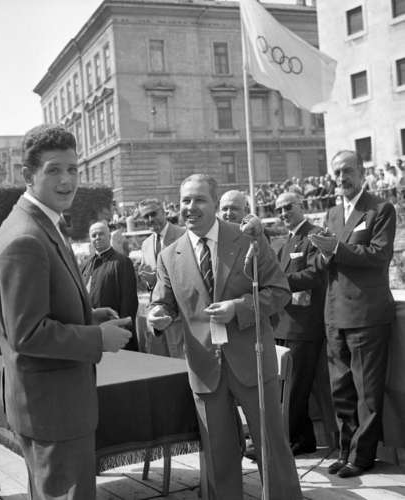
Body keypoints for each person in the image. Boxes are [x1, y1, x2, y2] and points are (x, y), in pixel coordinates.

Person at [0, 124, 132, 499]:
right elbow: (28, 334)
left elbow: (39, 309)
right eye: (54, 170)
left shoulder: (43, 222)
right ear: (28, 175)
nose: (67, 180)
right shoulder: (25, 237)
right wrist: (97, 338)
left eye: (72, 169)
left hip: (54, 406)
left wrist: (89, 316)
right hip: (54, 410)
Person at [147, 174, 301, 500]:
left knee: (271, 447)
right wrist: (156, 315)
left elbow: (279, 291)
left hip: (251, 361)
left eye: (199, 200)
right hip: (205, 368)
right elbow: (163, 302)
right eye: (185, 200)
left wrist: (239, 308)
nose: (190, 207)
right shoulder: (169, 255)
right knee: (218, 455)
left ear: (215, 204)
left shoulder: (247, 239)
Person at [310, 150, 396, 478]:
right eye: (336, 173)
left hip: (366, 315)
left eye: (347, 171)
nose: (341, 178)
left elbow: (379, 255)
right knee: (341, 390)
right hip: (334, 314)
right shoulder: (332, 213)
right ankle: (346, 451)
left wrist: (335, 249)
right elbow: (325, 263)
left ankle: (362, 457)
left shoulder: (380, 209)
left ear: (362, 172)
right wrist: (319, 255)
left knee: (366, 392)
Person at [273, 192, 326, 456]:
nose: (283, 213)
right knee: (286, 388)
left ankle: (285, 441)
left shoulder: (315, 235)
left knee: (295, 389)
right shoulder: (285, 242)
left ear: (301, 206)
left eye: (288, 207)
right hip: (283, 323)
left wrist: (279, 282)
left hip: (303, 326)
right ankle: (302, 439)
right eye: (279, 210)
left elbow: (316, 275)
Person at [138, 198, 185, 357]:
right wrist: (149, 282)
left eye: (153, 214)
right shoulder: (146, 244)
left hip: (180, 316)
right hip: (158, 317)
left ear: (164, 212)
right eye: (146, 216)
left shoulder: (183, 235)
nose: (150, 219)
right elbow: (152, 282)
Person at [81, 221, 138, 351]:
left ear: (109, 236)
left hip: (114, 329)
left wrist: (123, 328)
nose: (97, 237)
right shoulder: (86, 264)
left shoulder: (122, 262)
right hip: (91, 330)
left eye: (101, 234)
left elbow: (129, 300)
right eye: (93, 235)